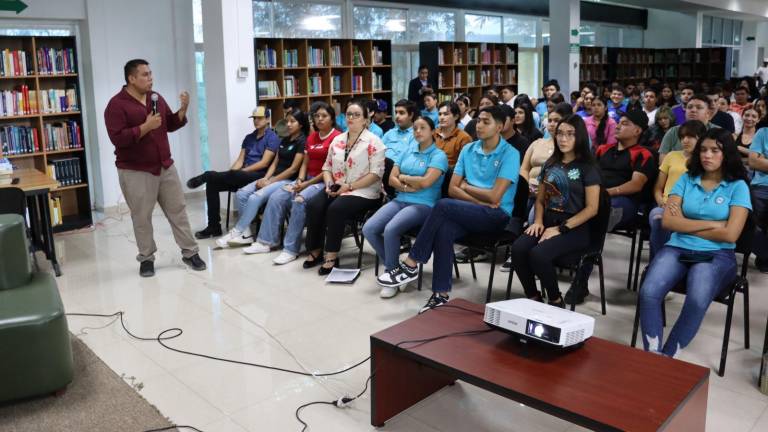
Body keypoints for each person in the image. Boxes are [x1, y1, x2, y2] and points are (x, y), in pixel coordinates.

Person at [375, 105, 520, 313]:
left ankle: (411, 262)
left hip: (497, 215)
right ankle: (440, 295)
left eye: (486, 122)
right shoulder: (469, 149)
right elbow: (453, 189)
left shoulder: (510, 153)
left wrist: (466, 187)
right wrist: (478, 198)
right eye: (478, 120)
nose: (479, 125)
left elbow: (495, 196)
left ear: (500, 126)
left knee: (442, 206)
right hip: (470, 209)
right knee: (444, 229)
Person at [639, 128, 751, 358]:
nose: (707, 155)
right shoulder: (686, 179)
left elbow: (731, 236)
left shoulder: (738, 186)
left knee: (697, 298)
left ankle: (667, 357)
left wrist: (687, 223)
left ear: (726, 154)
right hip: (678, 247)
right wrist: (713, 225)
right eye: (703, 150)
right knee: (649, 292)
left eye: (715, 151)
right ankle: (652, 355)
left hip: (717, 254)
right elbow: (668, 221)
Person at [104, 59, 205, 276]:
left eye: (151, 74)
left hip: (165, 166)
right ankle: (147, 258)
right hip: (136, 170)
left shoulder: (155, 97)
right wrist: (144, 127)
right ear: (131, 78)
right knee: (142, 216)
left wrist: (184, 108)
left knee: (178, 210)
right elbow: (118, 139)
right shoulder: (116, 105)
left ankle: (190, 252)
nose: (150, 78)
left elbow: (170, 123)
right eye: (145, 75)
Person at [509, 114, 601, 307]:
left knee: (538, 254)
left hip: (575, 227)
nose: (563, 138)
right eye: (560, 133)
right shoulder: (550, 164)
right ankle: (533, 297)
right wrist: (538, 222)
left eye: (570, 134)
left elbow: (592, 209)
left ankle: (555, 300)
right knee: (518, 249)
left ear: (580, 137)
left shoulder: (588, 167)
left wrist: (560, 229)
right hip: (547, 220)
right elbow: (541, 199)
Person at [241, 103, 340, 263]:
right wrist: (300, 180)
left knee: (299, 200)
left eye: (324, 116)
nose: (320, 119)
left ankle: (290, 249)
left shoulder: (337, 137)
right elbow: (305, 164)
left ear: (332, 119)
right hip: (306, 179)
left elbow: (329, 169)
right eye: (317, 116)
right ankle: (266, 242)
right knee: (277, 196)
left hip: (323, 181)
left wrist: (305, 185)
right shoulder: (312, 137)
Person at [365, 116, 448, 297]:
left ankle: (392, 274)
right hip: (400, 198)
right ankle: (396, 271)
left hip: (424, 204)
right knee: (369, 228)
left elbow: (426, 183)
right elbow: (391, 179)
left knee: (391, 229)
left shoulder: (438, 156)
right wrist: (407, 185)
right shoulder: (407, 151)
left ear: (433, 132)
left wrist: (404, 178)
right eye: (415, 128)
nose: (417, 131)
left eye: (422, 128)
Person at [303, 99, 386, 275]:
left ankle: (331, 256)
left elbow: (375, 174)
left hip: (365, 191)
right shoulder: (338, 140)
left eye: (356, 115)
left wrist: (348, 186)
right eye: (349, 114)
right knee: (313, 204)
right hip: (338, 187)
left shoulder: (374, 142)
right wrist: (328, 183)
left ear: (365, 119)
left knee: (336, 209)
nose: (351, 118)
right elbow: (326, 167)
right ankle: (315, 249)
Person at [215, 109, 308, 250]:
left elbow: (293, 169)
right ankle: (246, 235)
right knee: (241, 194)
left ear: (300, 124)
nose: (288, 124)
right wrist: (266, 178)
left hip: (287, 180)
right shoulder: (284, 139)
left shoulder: (302, 141)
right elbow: (275, 163)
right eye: (287, 121)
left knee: (254, 198)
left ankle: (237, 231)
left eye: (292, 121)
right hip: (273, 178)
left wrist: (270, 181)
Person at [187, 107, 279, 239]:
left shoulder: (272, 137)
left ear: (268, 119)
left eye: (260, 118)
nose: (256, 121)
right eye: (254, 118)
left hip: (258, 176)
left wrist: (240, 172)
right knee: (212, 183)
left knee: (220, 175)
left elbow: (264, 163)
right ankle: (214, 226)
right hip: (241, 176)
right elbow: (240, 161)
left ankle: (207, 175)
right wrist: (232, 173)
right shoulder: (249, 138)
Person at [648, 120, 707, 260]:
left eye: (691, 136)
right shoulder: (671, 156)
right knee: (658, 217)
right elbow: (658, 187)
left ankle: (664, 263)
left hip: (690, 209)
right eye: (682, 137)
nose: (685, 140)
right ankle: (658, 262)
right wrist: (661, 201)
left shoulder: (705, 161)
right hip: (665, 204)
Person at [660, 94, 720, 161]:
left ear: (708, 113)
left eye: (699, 107)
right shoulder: (673, 131)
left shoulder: (719, 132)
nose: (693, 110)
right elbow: (662, 162)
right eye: (690, 107)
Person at [382, 99, 418, 198]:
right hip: (380, 171)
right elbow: (378, 152)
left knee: (388, 163)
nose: (397, 116)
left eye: (401, 113)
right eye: (396, 112)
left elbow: (411, 161)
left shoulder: (415, 135)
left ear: (411, 115)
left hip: (398, 172)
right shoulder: (390, 133)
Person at [748, 123, 768, 272]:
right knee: (749, 222)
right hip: (761, 186)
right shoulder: (763, 132)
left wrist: (764, 160)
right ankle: (765, 255)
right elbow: (753, 161)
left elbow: (759, 161)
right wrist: (759, 160)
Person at [434, 101, 472, 167]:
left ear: (456, 117)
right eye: (440, 114)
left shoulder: (464, 138)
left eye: (446, 114)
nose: (441, 117)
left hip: (450, 173)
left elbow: (465, 164)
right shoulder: (433, 133)